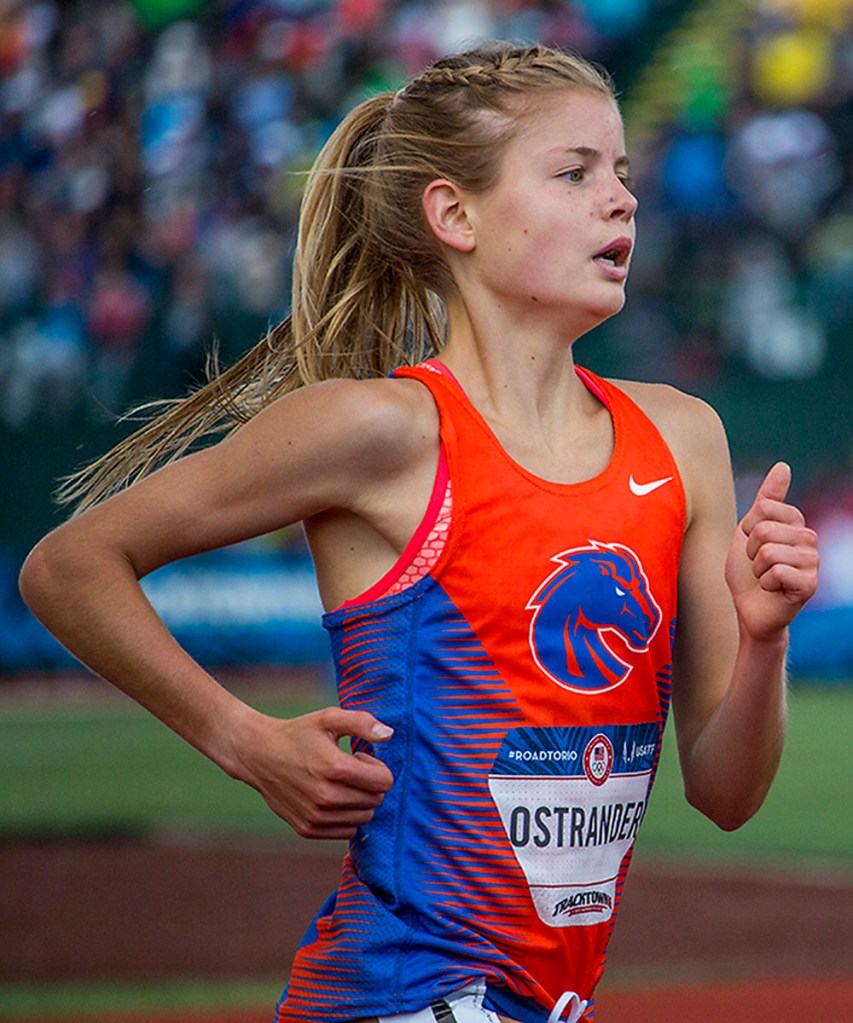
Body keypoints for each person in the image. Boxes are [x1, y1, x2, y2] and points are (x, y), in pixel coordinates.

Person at [19, 42, 819, 1023]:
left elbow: (728, 795)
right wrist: (245, 741)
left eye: (620, 171)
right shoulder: (380, 431)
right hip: (400, 997)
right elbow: (69, 566)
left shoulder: (682, 437)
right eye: (573, 174)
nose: (621, 200)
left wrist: (765, 638)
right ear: (454, 216)